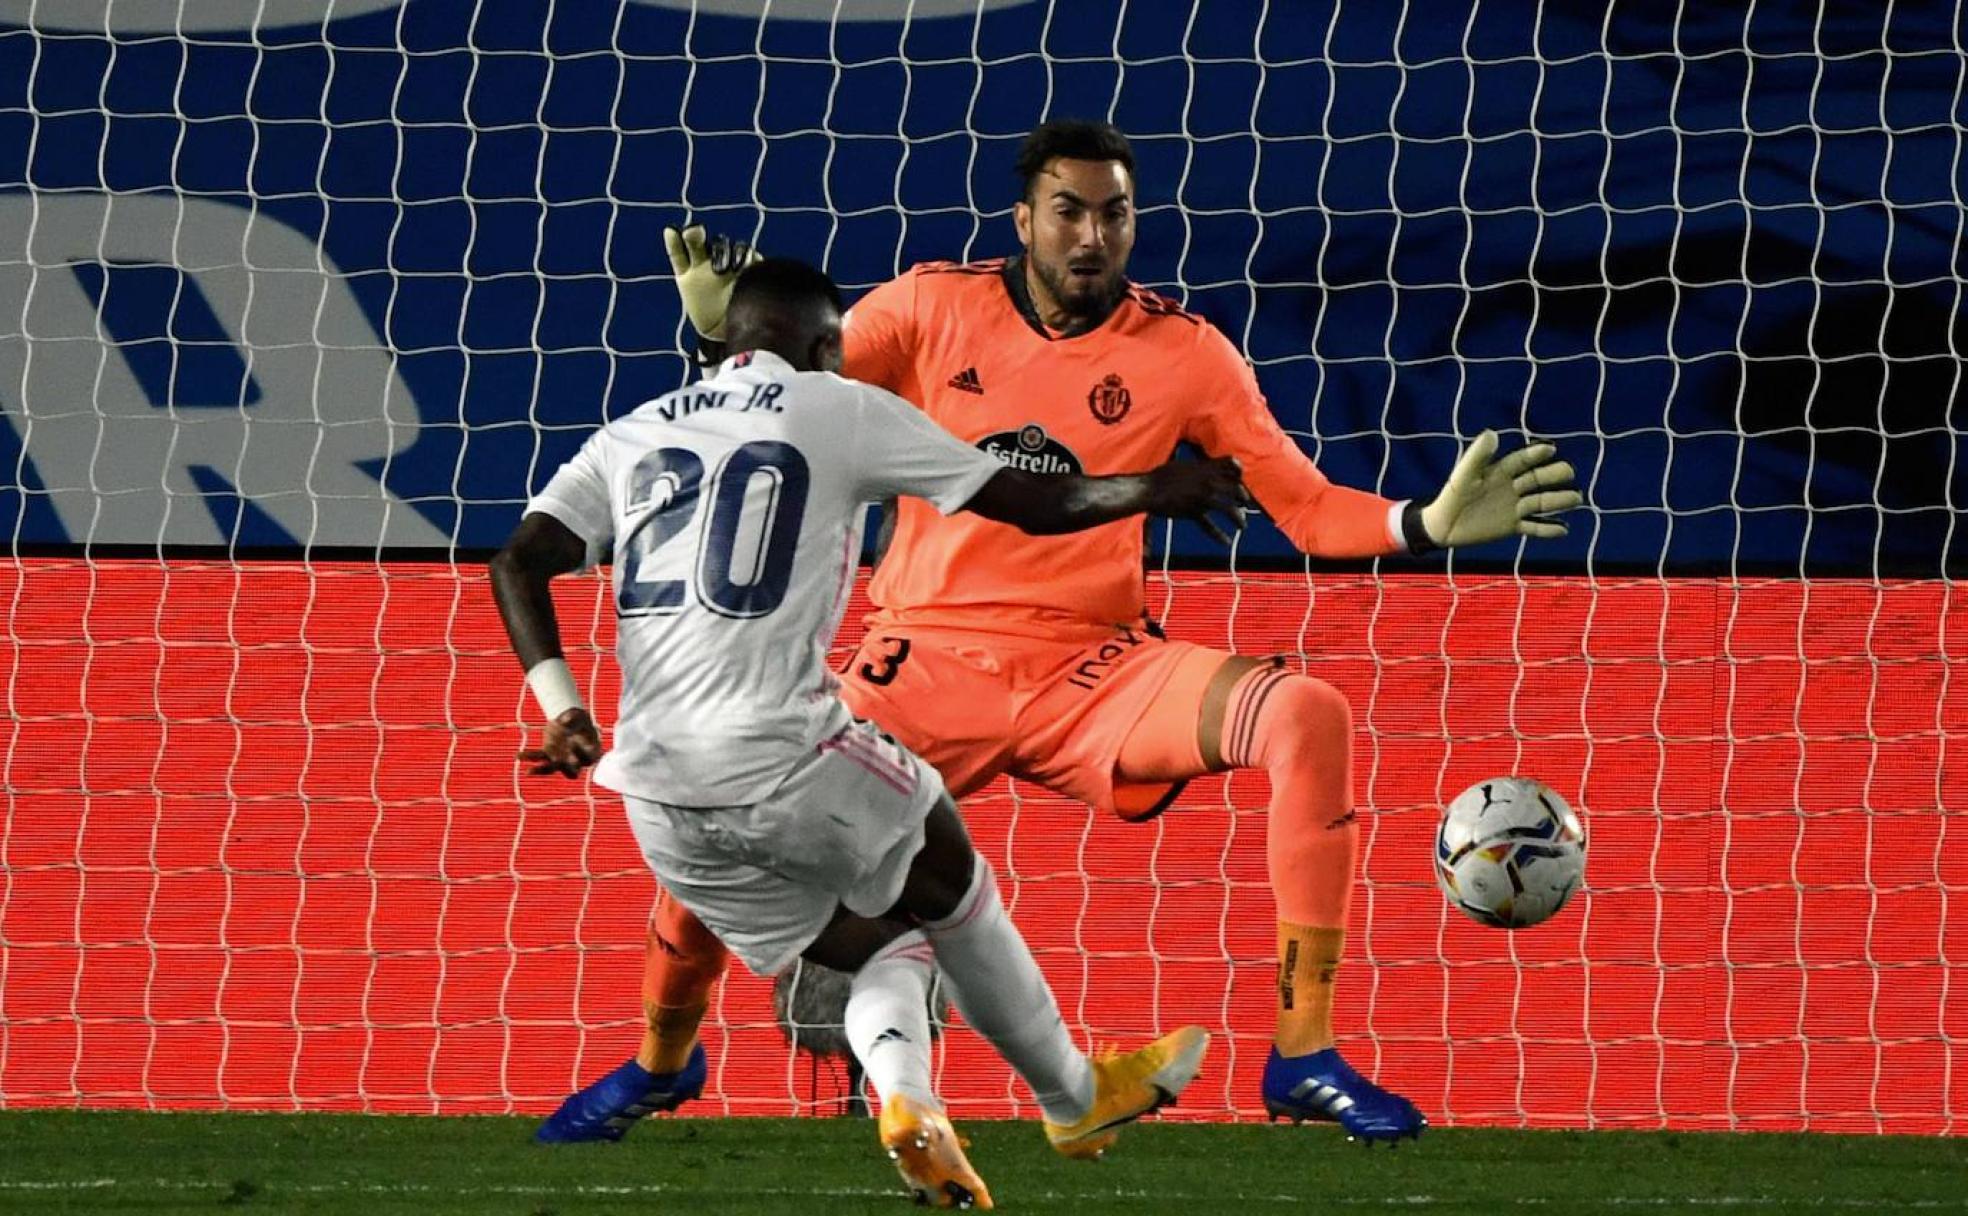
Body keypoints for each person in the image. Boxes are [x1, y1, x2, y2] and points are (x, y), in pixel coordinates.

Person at [544, 120, 1583, 1146]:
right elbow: (777, 402)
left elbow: (1305, 508)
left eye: (1115, 213)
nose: (1093, 235)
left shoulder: (1186, 353)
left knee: (1307, 714)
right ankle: (661, 1060)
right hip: (923, 656)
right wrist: (712, 341)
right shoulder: (927, 307)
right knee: (710, 801)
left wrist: (1424, 523)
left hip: (1095, 668)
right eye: (1069, 211)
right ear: (1024, 220)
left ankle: (1301, 1053)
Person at [499, 257, 1245, 1203]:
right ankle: (1072, 1095)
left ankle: (907, 1101)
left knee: (883, 947)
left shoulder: (631, 430)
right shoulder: (838, 406)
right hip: (781, 752)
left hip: (653, 796)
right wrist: (1154, 488)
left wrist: (564, 709)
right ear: (825, 348)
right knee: (955, 881)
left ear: (725, 341)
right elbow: (1035, 502)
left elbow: (518, 561)